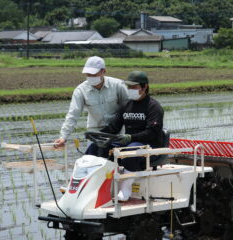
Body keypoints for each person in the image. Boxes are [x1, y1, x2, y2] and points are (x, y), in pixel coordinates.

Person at [99, 71, 164, 201]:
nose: (130, 90)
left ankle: (125, 190)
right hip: (130, 143)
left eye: (134, 87)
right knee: (96, 148)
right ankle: (96, 186)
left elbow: (152, 133)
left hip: (150, 146)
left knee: (129, 153)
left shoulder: (154, 107)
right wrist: (100, 135)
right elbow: (114, 127)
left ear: (144, 87)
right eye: (129, 87)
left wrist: (131, 137)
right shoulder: (126, 105)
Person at [54, 56, 129, 151]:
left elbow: (129, 109)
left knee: (119, 160)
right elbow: (73, 114)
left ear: (103, 71)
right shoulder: (81, 90)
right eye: (88, 74)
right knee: (92, 158)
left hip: (118, 132)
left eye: (93, 74)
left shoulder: (118, 85)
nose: (90, 77)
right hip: (95, 133)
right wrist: (63, 137)